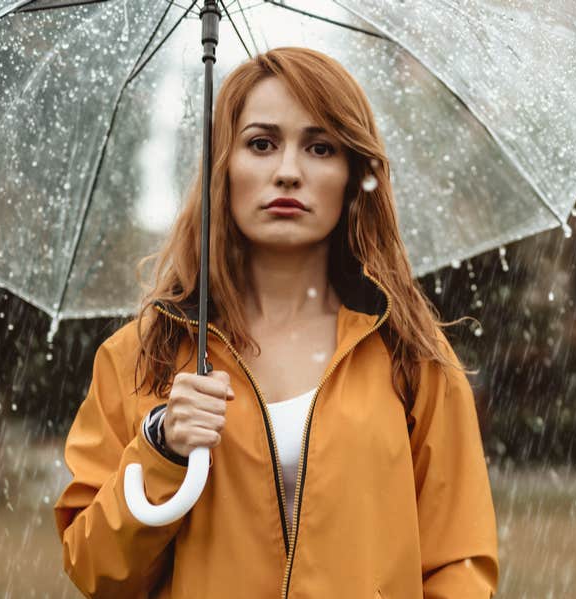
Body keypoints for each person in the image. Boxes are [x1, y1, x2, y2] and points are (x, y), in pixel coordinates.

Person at [54, 46, 498, 599]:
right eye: (261, 144)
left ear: (352, 172)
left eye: (320, 147)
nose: (288, 172)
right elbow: (96, 571)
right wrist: (161, 449)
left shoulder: (410, 353)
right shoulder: (143, 354)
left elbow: (458, 563)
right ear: (224, 167)